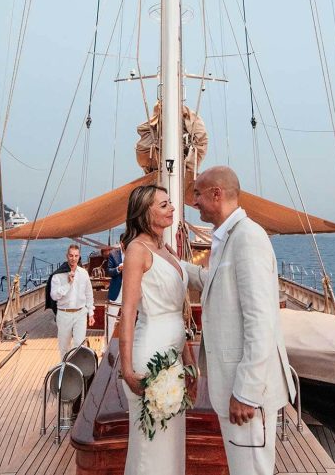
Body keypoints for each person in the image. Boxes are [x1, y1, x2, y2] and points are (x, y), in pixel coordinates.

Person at [182, 166, 295, 475]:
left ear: (216, 194)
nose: (195, 203)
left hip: (246, 394)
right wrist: (174, 264)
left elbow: (261, 321)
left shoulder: (248, 239)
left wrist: (246, 392)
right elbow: (213, 282)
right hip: (235, 387)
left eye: (198, 195)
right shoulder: (227, 239)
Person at [119, 185, 197, 475]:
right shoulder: (136, 251)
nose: (172, 209)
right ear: (145, 212)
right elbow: (128, 313)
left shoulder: (167, 250)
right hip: (150, 356)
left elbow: (178, 312)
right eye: (164, 205)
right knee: (150, 447)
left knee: (171, 444)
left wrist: (189, 363)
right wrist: (127, 371)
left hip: (174, 358)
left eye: (170, 204)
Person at [49, 244, 96, 359]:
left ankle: (77, 372)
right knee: (64, 347)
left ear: (79, 257)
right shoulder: (58, 275)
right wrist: (68, 284)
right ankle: (65, 372)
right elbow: (54, 296)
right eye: (71, 255)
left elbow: (89, 294)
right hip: (64, 314)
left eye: (76, 256)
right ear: (67, 256)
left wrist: (91, 313)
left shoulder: (84, 273)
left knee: (79, 345)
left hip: (80, 313)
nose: (73, 258)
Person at [106, 243, 124, 338]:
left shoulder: (133, 253)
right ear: (121, 243)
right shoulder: (113, 254)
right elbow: (109, 271)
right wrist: (118, 269)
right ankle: (107, 345)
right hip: (116, 292)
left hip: (130, 293)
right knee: (111, 320)